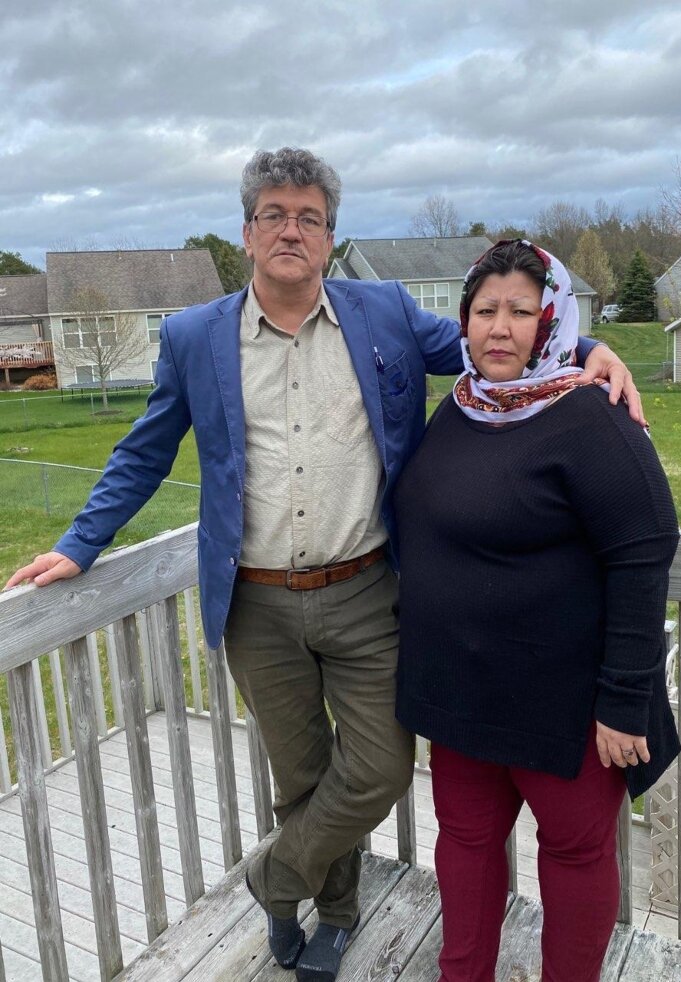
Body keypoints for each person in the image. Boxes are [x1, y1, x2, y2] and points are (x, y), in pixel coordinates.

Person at [5, 151, 641, 982]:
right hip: (256, 602)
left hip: (366, 589)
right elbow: (145, 450)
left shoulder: (383, 314)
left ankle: (275, 878)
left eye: (309, 217)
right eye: (274, 214)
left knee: (378, 766)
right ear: (247, 233)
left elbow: (493, 335)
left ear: (330, 237)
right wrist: (80, 544)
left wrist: (590, 345)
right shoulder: (196, 337)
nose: (291, 230)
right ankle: (334, 915)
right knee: (301, 775)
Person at [393, 239, 680, 982]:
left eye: (521, 311)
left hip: (568, 707)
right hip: (462, 694)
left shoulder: (590, 415)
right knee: (465, 843)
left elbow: (644, 550)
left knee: (575, 855)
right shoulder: (461, 407)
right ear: (464, 320)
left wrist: (625, 699)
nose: (500, 327)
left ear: (550, 321)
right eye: (485, 310)